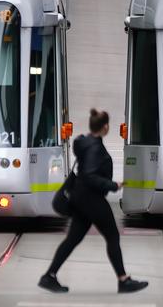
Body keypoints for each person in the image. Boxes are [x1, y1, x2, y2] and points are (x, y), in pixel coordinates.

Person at [38, 109, 149, 294]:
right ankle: (124, 281)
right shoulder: (95, 147)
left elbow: (86, 173)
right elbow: (89, 175)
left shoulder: (86, 143)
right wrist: (113, 185)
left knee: (73, 239)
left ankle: (48, 276)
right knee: (112, 236)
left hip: (82, 198)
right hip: (91, 199)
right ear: (105, 127)